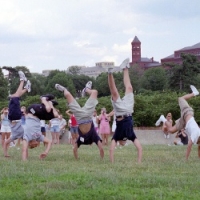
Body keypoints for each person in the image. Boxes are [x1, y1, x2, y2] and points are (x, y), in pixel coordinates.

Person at [55, 81, 104, 160]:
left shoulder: (81, 140)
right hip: (88, 115)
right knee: (94, 92)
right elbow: (101, 148)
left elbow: (74, 149)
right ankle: (87, 89)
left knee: (68, 95)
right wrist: (102, 159)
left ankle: (64, 90)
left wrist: (77, 159)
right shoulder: (94, 137)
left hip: (80, 117)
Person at [107, 58, 142, 163]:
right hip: (129, 110)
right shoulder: (131, 135)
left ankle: (110, 73)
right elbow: (140, 148)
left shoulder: (117, 136)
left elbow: (111, 149)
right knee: (130, 88)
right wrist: (139, 162)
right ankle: (125, 68)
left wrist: (112, 162)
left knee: (115, 93)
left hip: (121, 112)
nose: (122, 144)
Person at [155, 85, 200, 160]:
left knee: (171, 131)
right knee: (180, 98)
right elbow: (189, 146)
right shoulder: (196, 134)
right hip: (187, 113)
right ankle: (194, 93)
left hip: (184, 122)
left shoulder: (197, 138)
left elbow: (197, 148)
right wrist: (186, 159)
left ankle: (163, 118)